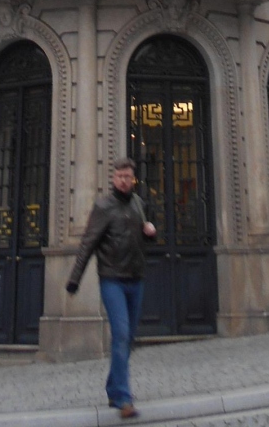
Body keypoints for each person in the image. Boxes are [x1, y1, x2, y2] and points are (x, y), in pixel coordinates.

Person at [66, 158, 156, 421]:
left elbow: (146, 239)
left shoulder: (139, 204)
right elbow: (88, 243)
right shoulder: (103, 207)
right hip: (112, 279)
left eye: (128, 176)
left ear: (133, 178)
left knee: (128, 338)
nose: (124, 181)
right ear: (113, 178)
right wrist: (75, 279)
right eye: (120, 177)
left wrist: (151, 233)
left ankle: (113, 388)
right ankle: (124, 399)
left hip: (136, 278)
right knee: (121, 333)